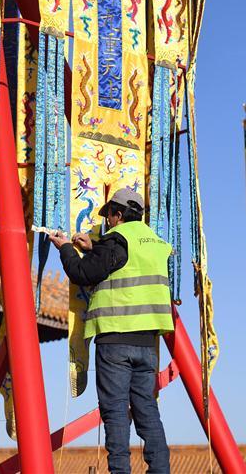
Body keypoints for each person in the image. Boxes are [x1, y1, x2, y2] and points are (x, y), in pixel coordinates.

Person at [49, 188, 173, 474]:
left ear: (118, 214)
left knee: (115, 412)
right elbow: (125, 264)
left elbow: (83, 273)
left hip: (115, 340)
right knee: (147, 411)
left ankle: (120, 471)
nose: (107, 222)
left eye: (109, 217)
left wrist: (66, 248)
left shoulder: (117, 240)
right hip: (147, 344)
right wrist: (95, 247)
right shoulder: (155, 243)